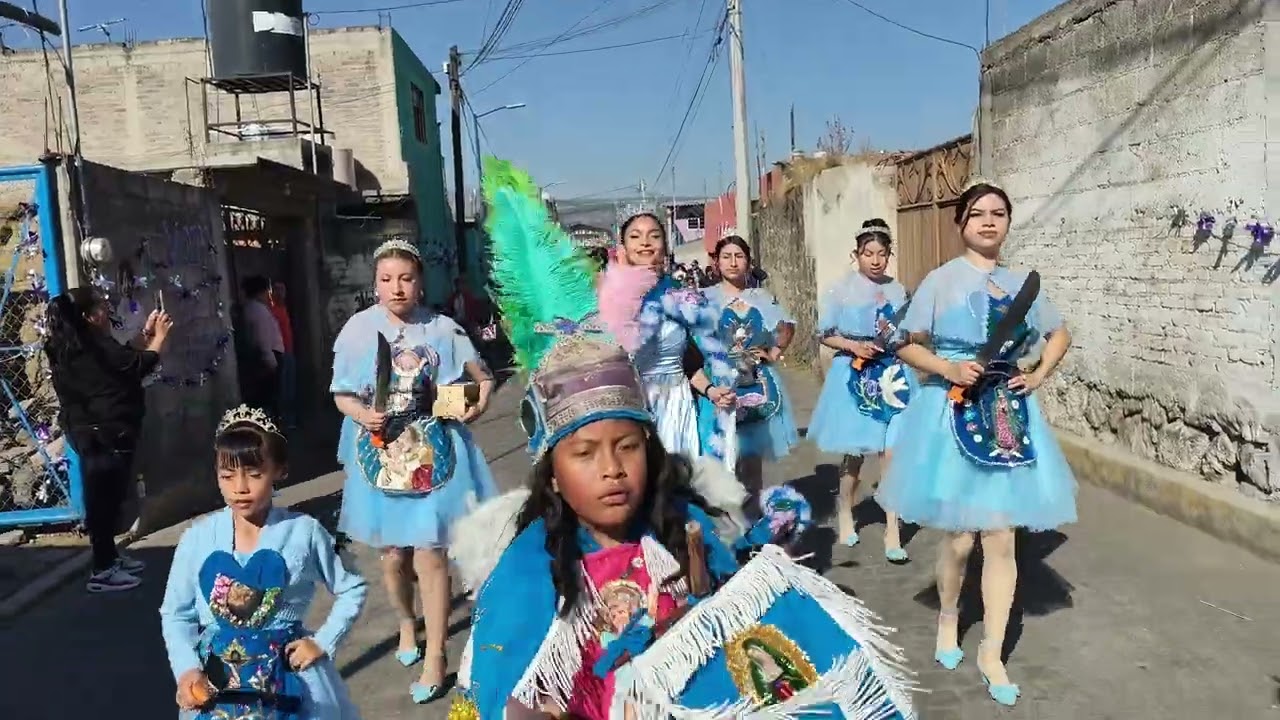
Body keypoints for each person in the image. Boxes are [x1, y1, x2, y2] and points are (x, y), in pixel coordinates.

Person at [445, 159, 918, 719]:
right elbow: (507, 693)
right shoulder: (527, 573)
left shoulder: (678, 517)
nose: (612, 469)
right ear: (550, 470)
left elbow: (728, 615)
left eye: (625, 450)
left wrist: (743, 552)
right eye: (584, 453)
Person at [876, 180, 1077, 707]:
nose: (989, 222)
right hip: (953, 414)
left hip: (1008, 416)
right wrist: (946, 366)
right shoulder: (940, 282)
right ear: (960, 222)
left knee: (1003, 537)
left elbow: (1059, 333)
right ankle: (948, 617)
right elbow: (902, 343)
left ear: (1008, 222)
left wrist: (1037, 375)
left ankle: (992, 650)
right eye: (978, 213)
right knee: (961, 540)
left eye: (999, 213)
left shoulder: (1024, 284)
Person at [330, 238, 497, 703]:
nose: (396, 288)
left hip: (436, 452)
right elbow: (342, 393)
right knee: (393, 557)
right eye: (386, 280)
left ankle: (437, 654)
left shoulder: (444, 328)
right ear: (375, 284)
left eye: (405, 278)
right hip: (380, 453)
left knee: (431, 553)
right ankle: (408, 622)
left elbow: (483, 379)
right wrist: (364, 415)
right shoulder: (358, 331)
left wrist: (473, 405)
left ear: (420, 281)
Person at [159, 405, 366, 719]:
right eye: (227, 476)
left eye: (254, 475)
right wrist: (187, 669)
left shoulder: (303, 532)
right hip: (215, 684)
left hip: (288, 679)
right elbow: (176, 613)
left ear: (279, 471)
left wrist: (323, 641)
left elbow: (353, 586)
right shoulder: (196, 539)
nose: (240, 488)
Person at [45, 287, 173, 593]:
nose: (107, 310)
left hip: (102, 432)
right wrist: (160, 339)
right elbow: (137, 365)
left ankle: (111, 558)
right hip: (102, 433)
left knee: (110, 498)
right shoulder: (87, 347)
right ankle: (102, 570)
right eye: (101, 306)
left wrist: (145, 335)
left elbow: (122, 360)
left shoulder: (80, 344)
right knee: (103, 502)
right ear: (89, 316)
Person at [808, 219, 913, 563]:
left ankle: (893, 528)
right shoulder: (842, 290)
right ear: (857, 254)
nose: (876, 260)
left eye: (882, 254)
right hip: (853, 375)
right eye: (868, 253)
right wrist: (854, 346)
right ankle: (845, 510)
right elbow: (825, 333)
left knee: (891, 453)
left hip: (891, 375)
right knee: (854, 454)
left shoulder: (898, 291)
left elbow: (907, 333)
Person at [596, 212, 737, 462]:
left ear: (665, 245)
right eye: (635, 236)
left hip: (675, 405)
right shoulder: (605, 297)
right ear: (623, 247)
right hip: (628, 406)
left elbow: (691, 363)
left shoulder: (681, 296)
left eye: (654, 235)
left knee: (676, 485)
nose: (645, 242)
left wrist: (713, 390)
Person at [695, 235, 799, 509]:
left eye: (738, 256)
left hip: (756, 384)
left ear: (749, 262)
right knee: (722, 459)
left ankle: (753, 525)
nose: (733, 262)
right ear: (716, 263)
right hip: (719, 386)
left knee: (751, 462)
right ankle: (727, 526)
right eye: (726, 256)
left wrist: (774, 352)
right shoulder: (704, 299)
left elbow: (787, 325)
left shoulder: (762, 297)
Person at [240, 276, 284, 418]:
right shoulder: (259, 311)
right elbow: (263, 339)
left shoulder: (249, 309)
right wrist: (272, 363)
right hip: (267, 360)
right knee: (269, 400)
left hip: (261, 360)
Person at [269, 280, 297, 431]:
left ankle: (289, 420)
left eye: (282, 290)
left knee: (290, 388)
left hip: (289, 352)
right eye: (277, 290)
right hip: (281, 353)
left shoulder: (283, 308)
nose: (281, 293)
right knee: (284, 389)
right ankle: (284, 421)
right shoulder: (271, 311)